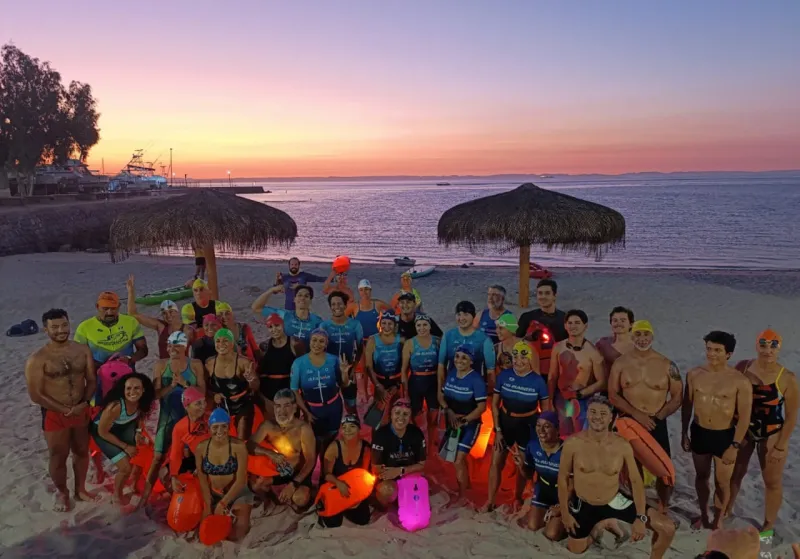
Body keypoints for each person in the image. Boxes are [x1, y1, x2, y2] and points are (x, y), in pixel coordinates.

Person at [558, 394, 676, 558]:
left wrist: (641, 518)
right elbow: (563, 479)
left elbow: (636, 481)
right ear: (587, 414)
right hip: (583, 503)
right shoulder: (572, 444)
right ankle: (599, 527)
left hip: (613, 501)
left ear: (611, 419)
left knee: (667, 528)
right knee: (576, 550)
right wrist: (565, 514)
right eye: (593, 412)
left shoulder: (622, 445)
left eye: (603, 414)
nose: (597, 417)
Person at [25, 309, 98, 512]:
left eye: (64, 325)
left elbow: (91, 379)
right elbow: (36, 395)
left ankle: (80, 489)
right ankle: (63, 492)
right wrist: (66, 410)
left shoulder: (82, 350)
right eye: (55, 327)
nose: (61, 330)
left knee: (82, 451)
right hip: (54, 413)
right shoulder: (38, 359)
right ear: (45, 329)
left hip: (82, 408)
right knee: (58, 455)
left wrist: (84, 402)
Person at [728, 329, 798, 538]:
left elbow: (792, 416)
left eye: (773, 345)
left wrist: (781, 445)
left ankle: (767, 527)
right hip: (744, 429)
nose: (768, 350)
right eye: (764, 344)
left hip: (772, 432)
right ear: (757, 345)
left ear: (779, 348)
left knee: (772, 482)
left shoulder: (787, 378)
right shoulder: (743, 367)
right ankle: (725, 511)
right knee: (735, 474)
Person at [681, 331, 753, 529]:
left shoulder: (739, 381)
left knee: (722, 482)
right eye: (709, 349)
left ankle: (718, 518)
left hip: (725, 436)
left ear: (728, 354)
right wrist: (683, 433)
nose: (712, 354)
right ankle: (703, 515)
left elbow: (745, 417)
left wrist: (735, 445)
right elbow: (687, 406)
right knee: (701, 477)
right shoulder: (694, 374)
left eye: (717, 350)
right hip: (699, 431)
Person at [608, 320, 682, 510]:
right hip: (629, 421)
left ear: (652, 337)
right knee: (633, 468)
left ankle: (663, 507)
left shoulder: (666, 364)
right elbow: (613, 394)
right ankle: (638, 506)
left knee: (664, 471)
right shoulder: (621, 363)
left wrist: (658, 417)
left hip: (656, 421)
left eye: (645, 335)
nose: (642, 339)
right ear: (632, 336)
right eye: (638, 335)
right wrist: (637, 414)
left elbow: (677, 397)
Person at [486, 341, 551, 511]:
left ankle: (517, 497)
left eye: (523, 357)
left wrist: (542, 434)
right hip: (506, 422)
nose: (518, 360)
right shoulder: (504, 376)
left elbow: (545, 412)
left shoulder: (538, 381)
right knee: (496, 462)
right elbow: (494, 405)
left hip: (527, 425)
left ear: (529, 359)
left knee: (522, 464)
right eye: (515, 356)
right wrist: (498, 430)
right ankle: (490, 501)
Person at [143, 331, 205, 505]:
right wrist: (170, 386)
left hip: (191, 418)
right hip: (168, 417)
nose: (172, 349)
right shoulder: (161, 365)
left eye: (177, 345)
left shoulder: (195, 364)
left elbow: (202, 393)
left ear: (185, 347)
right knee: (158, 457)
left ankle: (199, 496)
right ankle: (144, 498)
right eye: (170, 345)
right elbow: (155, 395)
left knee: (195, 455)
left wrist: (186, 385)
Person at [90, 372, 156, 506]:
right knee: (125, 467)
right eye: (129, 388)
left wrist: (138, 432)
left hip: (123, 426)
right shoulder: (115, 407)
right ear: (123, 390)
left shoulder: (143, 402)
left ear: (143, 390)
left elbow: (139, 418)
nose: (132, 392)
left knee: (140, 452)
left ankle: (132, 483)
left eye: (136, 388)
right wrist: (125, 446)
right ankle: (117, 494)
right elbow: (102, 432)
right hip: (102, 431)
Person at [248, 389, 316, 510]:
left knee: (300, 499)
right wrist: (269, 453)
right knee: (256, 486)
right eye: (278, 406)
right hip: (278, 471)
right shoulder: (268, 425)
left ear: (295, 408)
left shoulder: (303, 429)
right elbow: (249, 445)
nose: (282, 411)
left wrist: (294, 484)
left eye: (287, 406)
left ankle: (308, 492)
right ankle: (272, 497)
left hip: (298, 473)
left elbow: (310, 460)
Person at [290, 329, 353, 457]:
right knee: (315, 444)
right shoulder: (299, 363)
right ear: (309, 342)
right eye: (314, 340)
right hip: (313, 410)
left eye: (321, 341)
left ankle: (325, 471)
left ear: (326, 344)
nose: (317, 344)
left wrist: (344, 373)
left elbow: (344, 385)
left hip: (334, 407)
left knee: (330, 442)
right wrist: (306, 412)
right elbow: (294, 390)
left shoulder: (333, 360)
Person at [195, 408, 253, 542]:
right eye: (215, 427)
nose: (220, 431)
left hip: (238, 493)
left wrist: (222, 503)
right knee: (204, 535)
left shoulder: (238, 447)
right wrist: (208, 503)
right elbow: (202, 478)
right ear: (209, 428)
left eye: (224, 426)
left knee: (236, 535)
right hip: (214, 493)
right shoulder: (201, 448)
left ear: (229, 427)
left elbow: (240, 480)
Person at [439, 345, 488, 503]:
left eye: (464, 358)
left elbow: (482, 407)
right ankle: (467, 484)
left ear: (471, 361)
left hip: (469, 424)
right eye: (457, 356)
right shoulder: (452, 374)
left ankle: (462, 496)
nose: (459, 360)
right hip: (453, 422)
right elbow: (442, 397)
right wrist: (448, 411)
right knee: (454, 458)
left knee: (458, 459)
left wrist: (464, 420)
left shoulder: (476, 380)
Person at [548, 310, 606, 436]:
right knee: (563, 433)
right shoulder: (558, 347)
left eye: (577, 323)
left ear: (585, 326)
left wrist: (580, 394)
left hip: (582, 399)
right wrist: (550, 400)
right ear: (565, 325)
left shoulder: (593, 352)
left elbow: (601, 382)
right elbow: (552, 376)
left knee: (580, 435)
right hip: (562, 397)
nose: (573, 326)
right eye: (570, 323)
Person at [74, 290, 148, 384]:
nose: (109, 312)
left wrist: (130, 359)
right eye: (105, 308)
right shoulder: (84, 327)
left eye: (113, 308)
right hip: (99, 379)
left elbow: (143, 349)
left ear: (119, 306)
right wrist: (105, 366)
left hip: (127, 376)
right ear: (97, 306)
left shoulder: (131, 322)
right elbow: (78, 358)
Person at [514, 411, 564, 540]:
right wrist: (521, 466)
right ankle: (545, 513)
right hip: (543, 490)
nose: (541, 430)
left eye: (547, 426)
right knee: (533, 526)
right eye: (538, 425)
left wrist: (563, 505)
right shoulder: (533, 446)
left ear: (557, 429)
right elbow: (529, 475)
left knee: (552, 534)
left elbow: (576, 483)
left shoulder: (567, 450)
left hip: (563, 493)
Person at [371, 399, 426, 508]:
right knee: (387, 491)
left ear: (410, 417)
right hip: (388, 476)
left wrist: (400, 471)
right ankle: (383, 505)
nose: (401, 417)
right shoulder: (381, 435)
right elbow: (376, 468)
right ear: (390, 414)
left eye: (405, 414)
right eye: (397, 413)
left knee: (418, 493)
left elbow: (422, 464)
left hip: (407, 472)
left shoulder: (416, 434)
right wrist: (390, 475)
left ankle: (403, 498)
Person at [319, 414, 372, 527]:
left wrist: (356, 497)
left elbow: (364, 476)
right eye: (344, 427)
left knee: (363, 519)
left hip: (353, 486)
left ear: (359, 429)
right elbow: (326, 474)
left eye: (352, 426)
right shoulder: (334, 447)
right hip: (334, 484)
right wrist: (338, 483)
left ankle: (346, 507)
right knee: (333, 523)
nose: (347, 430)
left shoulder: (366, 449)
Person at [207, 328, 258, 439]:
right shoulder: (210, 363)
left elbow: (256, 386)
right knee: (220, 439)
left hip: (242, 404)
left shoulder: (243, 362)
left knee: (241, 440)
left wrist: (251, 380)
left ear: (232, 343)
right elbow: (206, 388)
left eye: (225, 340)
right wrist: (214, 395)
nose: (221, 344)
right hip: (222, 405)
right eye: (218, 341)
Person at [126, 275, 193, 359]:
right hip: (164, 368)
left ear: (177, 312)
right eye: (164, 313)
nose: (168, 315)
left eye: (171, 311)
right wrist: (131, 292)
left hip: (181, 367)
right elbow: (133, 314)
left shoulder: (187, 330)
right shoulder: (161, 326)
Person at [401, 313, 441, 449]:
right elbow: (404, 369)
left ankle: (432, 442)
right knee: (416, 414)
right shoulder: (410, 343)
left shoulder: (437, 341)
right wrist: (405, 390)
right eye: (419, 325)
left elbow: (443, 366)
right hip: (416, 382)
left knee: (433, 416)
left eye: (425, 325)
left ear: (430, 326)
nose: (422, 328)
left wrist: (443, 385)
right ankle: (419, 439)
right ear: (415, 327)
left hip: (433, 382)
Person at [347, 279, 390, 403]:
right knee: (365, 368)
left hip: (376, 341)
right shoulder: (355, 306)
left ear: (370, 290)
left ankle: (378, 391)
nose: (364, 292)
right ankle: (365, 393)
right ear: (359, 292)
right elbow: (342, 318)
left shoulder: (377, 304)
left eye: (366, 289)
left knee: (378, 366)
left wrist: (386, 326)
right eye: (361, 290)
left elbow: (393, 311)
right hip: (362, 342)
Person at [320, 291, 364, 413]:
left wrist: (353, 368)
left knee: (351, 406)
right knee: (330, 405)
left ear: (345, 306)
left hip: (349, 369)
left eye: (339, 304)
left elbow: (360, 347)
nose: (336, 307)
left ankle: (353, 426)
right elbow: (318, 349)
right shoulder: (324, 326)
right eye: (333, 304)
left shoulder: (355, 325)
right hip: (330, 371)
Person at [516, 279, 568, 376]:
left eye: (547, 293)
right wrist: (528, 338)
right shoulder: (527, 317)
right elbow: (516, 342)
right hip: (531, 368)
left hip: (557, 369)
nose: (543, 297)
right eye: (540, 293)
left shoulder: (565, 318)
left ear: (554, 296)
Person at [438, 300, 496, 384]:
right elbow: (441, 365)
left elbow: (490, 370)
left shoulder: (484, 339)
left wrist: (491, 394)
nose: (461, 318)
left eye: (466, 314)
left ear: (473, 316)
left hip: (475, 387)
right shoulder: (448, 336)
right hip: (452, 385)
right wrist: (440, 390)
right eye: (459, 314)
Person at [251, 284, 323, 349]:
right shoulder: (284, 314)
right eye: (299, 295)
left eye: (306, 296)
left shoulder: (317, 321)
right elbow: (256, 307)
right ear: (294, 299)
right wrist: (271, 290)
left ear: (310, 301)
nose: (302, 298)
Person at [256, 313, 299, 419]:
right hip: (269, 392)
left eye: (277, 325)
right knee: (274, 425)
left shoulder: (294, 343)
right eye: (270, 327)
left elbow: (302, 366)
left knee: (292, 423)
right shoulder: (264, 346)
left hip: (289, 390)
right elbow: (260, 371)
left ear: (283, 325)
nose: (274, 329)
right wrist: (263, 398)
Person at [166, 387, 211, 489]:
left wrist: (203, 467)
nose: (203, 406)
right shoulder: (180, 427)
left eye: (204, 402)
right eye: (198, 403)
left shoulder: (212, 419)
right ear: (187, 406)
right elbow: (175, 454)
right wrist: (174, 476)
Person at [366, 310, 404, 418]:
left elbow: (408, 365)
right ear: (380, 324)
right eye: (384, 323)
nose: (386, 326)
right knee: (375, 417)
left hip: (396, 381)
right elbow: (369, 367)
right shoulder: (372, 340)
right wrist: (378, 386)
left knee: (396, 414)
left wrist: (397, 385)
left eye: (390, 324)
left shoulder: (401, 340)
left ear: (395, 325)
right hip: (380, 381)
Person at [595, 306, 635, 370]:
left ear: (631, 324)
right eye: (615, 320)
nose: (618, 323)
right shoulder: (603, 344)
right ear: (611, 323)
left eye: (623, 320)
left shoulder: (638, 346)